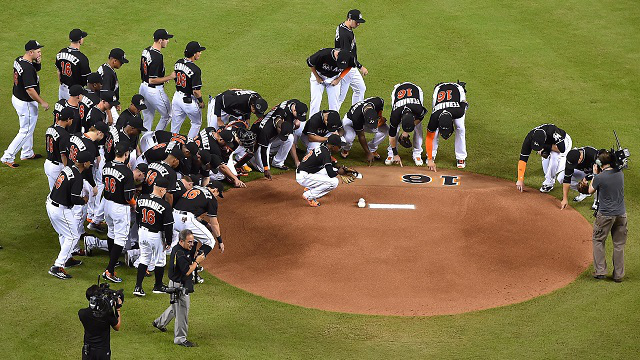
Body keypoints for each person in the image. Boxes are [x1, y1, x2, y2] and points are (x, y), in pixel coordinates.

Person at [153, 229, 205, 347]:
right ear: (181, 241)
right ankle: (180, 339)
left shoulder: (180, 249)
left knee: (175, 307)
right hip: (178, 286)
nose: (192, 244)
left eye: (192, 242)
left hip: (176, 283)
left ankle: (159, 323)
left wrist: (193, 259)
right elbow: (187, 271)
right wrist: (197, 262)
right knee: (182, 311)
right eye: (189, 242)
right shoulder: (180, 254)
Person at [2, 40, 49, 168]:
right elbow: (30, 90)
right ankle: (8, 156)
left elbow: (33, 70)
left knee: (29, 127)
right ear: (30, 52)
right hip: (25, 103)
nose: (40, 53)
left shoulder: (19, 60)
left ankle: (27, 152)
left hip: (17, 97)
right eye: (38, 51)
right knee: (25, 130)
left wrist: (38, 63)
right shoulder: (28, 68)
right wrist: (42, 102)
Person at [47, 151, 93, 279]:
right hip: (60, 209)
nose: (91, 163)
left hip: (51, 204)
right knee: (73, 236)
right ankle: (57, 266)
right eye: (90, 161)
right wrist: (83, 200)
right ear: (85, 163)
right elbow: (74, 199)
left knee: (64, 234)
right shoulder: (77, 177)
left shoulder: (68, 168)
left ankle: (67, 259)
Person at [587, 149, 627, 282]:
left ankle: (600, 271)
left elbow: (589, 190)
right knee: (619, 245)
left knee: (598, 240)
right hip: (621, 214)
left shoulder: (600, 177)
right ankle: (619, 275)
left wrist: (594, 174)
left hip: (605, 216)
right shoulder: (620, 173)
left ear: (599, 163)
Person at [102, 142, 137, 283]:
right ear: (126, 154)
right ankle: (109, 271)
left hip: (107, 204)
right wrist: (134, 205)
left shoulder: (106, 166)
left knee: (111, 232)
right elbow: (128, 197)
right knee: (120, 238)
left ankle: (113, 261)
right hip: (119, 208)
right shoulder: (127, 172)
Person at [133, 176, 174, 296]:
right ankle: (158, 286)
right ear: (162, 190)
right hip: (155, 235)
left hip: (142, 232)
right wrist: (169, 241)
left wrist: (141, 227)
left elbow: (137, 217)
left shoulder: (141, 198)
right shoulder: (165, 205)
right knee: (160, 260)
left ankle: (138, 287)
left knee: (144, 258)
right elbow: (168, 226)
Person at [425, 81, 469, 171]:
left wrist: (462, 91)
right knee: (434, 131)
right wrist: (429, 158)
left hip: (457, 91)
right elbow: (429, 137)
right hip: (439, 89)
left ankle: (461, 157)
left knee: (460, 127)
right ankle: (432, 155)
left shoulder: (459, 112)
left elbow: (464, 103)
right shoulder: (434, 116)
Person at [515, 124, 572, 193]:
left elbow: (561, 149)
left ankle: (549, 183)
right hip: (549, 144)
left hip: (563, 143)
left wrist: (545, 147)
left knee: (554, 158)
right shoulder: (529, 138)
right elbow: (523, 159)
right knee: (545, 157)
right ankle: (550, 176)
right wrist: (520, 179)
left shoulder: (553, 132)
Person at [296, 134, 349, 207]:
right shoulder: (325, 153)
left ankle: (309, 188)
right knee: (334, 182)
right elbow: (331, 174)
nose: (340, 148)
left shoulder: (323, 147)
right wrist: (338, 172)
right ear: (333, 146)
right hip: (304, 176)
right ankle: (309, 195)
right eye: (339, 146)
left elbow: (329, 163)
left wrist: (338, 167)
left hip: (306, 171)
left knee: (332, 169)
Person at [140, 29, 176, 132]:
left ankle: (146, 142)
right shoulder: (157, 56)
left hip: (143, 87)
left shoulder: (146, 50)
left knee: (148, 116)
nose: (168, 41)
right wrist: (170, 77)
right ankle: (155, 138)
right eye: (166, 39)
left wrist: (162, 79)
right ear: (160, 40)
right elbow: (152, 80)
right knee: (168, 115)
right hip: (153, 90)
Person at [384, 82, 427, 167]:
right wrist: (396, 154)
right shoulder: (395, 115)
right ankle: (391, 153)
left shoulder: (418, 109)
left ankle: (417, 153)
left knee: (418, 127)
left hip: (416, 90)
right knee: (395, 129)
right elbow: (391, 135)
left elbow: (421, 117)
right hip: (398, 91)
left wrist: (405, 133)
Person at [171, 41, 206, 138]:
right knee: (196, 123)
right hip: (188, 101)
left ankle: (171, 145)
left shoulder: (178, 62)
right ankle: (189, 146)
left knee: (175, 125)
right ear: (194, 53)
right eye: (199, 51)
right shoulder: (196, 70)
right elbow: (196, 91)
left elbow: (175, 76)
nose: (200, 53)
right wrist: (201, 101)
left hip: (177, 97)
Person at [335, 9, 368, 110]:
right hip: (345, 67)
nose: (358, 24)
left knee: (360, 89)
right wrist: (360, 67)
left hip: (351, 66)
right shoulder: (345, 34)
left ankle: (355, 114)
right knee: (340, 98)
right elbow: (347, 56)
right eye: (356, 21)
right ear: (349, 19)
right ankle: (331, 120)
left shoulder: (343, 26)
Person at [307, 47, 355, 116]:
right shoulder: (323, 54)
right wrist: (317, 77)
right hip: (319, 75)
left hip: (334, 78)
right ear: (336, 55)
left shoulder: (348, 56)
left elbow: (350, 66)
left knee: (334, 105)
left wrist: (338, 79)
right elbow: (310, 63)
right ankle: (313, 124)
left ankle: (333, 124)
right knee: (315, 102)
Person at [339, 96, 387, 164]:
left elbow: (380, 112)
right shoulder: (357, 116)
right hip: (350, 122)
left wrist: (381, 119)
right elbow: (361, 136)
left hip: (364, 121)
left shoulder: (378, 102)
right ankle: (346, 149)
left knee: (385, 129)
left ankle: (372, 149)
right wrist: (367, 153)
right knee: (349, 138)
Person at [78, 285, 122, 359]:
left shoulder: (82, 313)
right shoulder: (107, 314)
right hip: (102, 352)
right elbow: (117, 327)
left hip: (88, 351)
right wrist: (118, 309)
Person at [249, 111, 294, 180]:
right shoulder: (266, 131)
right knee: (262, 169)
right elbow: (263, 150)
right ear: (279, 128)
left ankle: (277, 162)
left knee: (290, 138)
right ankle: (251, 158)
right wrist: (266, 168)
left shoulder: (282, 117)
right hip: (258, 143)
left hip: (270, 140)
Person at [56, 28, 91, 100]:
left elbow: (59, 72)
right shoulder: (82, 58)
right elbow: (87, 80)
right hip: (74, 94)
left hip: (62, 89)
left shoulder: (61, 52)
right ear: (80, 40)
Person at [44, 107, 73, 189]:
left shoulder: (50, 128)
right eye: (72, 119)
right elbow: (63, 155)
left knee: (53, 192)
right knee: (62, 192)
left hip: (47, 163)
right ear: (68, 119)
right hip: (56, 167)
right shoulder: (64, 134)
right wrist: (67, 168)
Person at [98, 48, 129, 125]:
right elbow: (105, 95)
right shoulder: (108, 74)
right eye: (121, 62)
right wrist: (109, 114)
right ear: (114, 61)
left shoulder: (106, 68)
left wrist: (115, 103)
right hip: (105, 105)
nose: (122, 64)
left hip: (108, 103)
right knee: (117, 125)